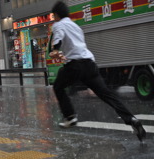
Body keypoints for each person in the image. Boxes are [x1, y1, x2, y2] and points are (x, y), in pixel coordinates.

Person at [50, 1, 146, 142]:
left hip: (76, 65)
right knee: (108, 95)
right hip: (90, 64)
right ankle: (131, 119)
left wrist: (55, 50)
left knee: (58, 86)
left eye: (54, 16)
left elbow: (58, 38)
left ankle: (70, 117)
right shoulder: (75, 26)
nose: (53, 18)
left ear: (56, 15)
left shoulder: (58, 24)